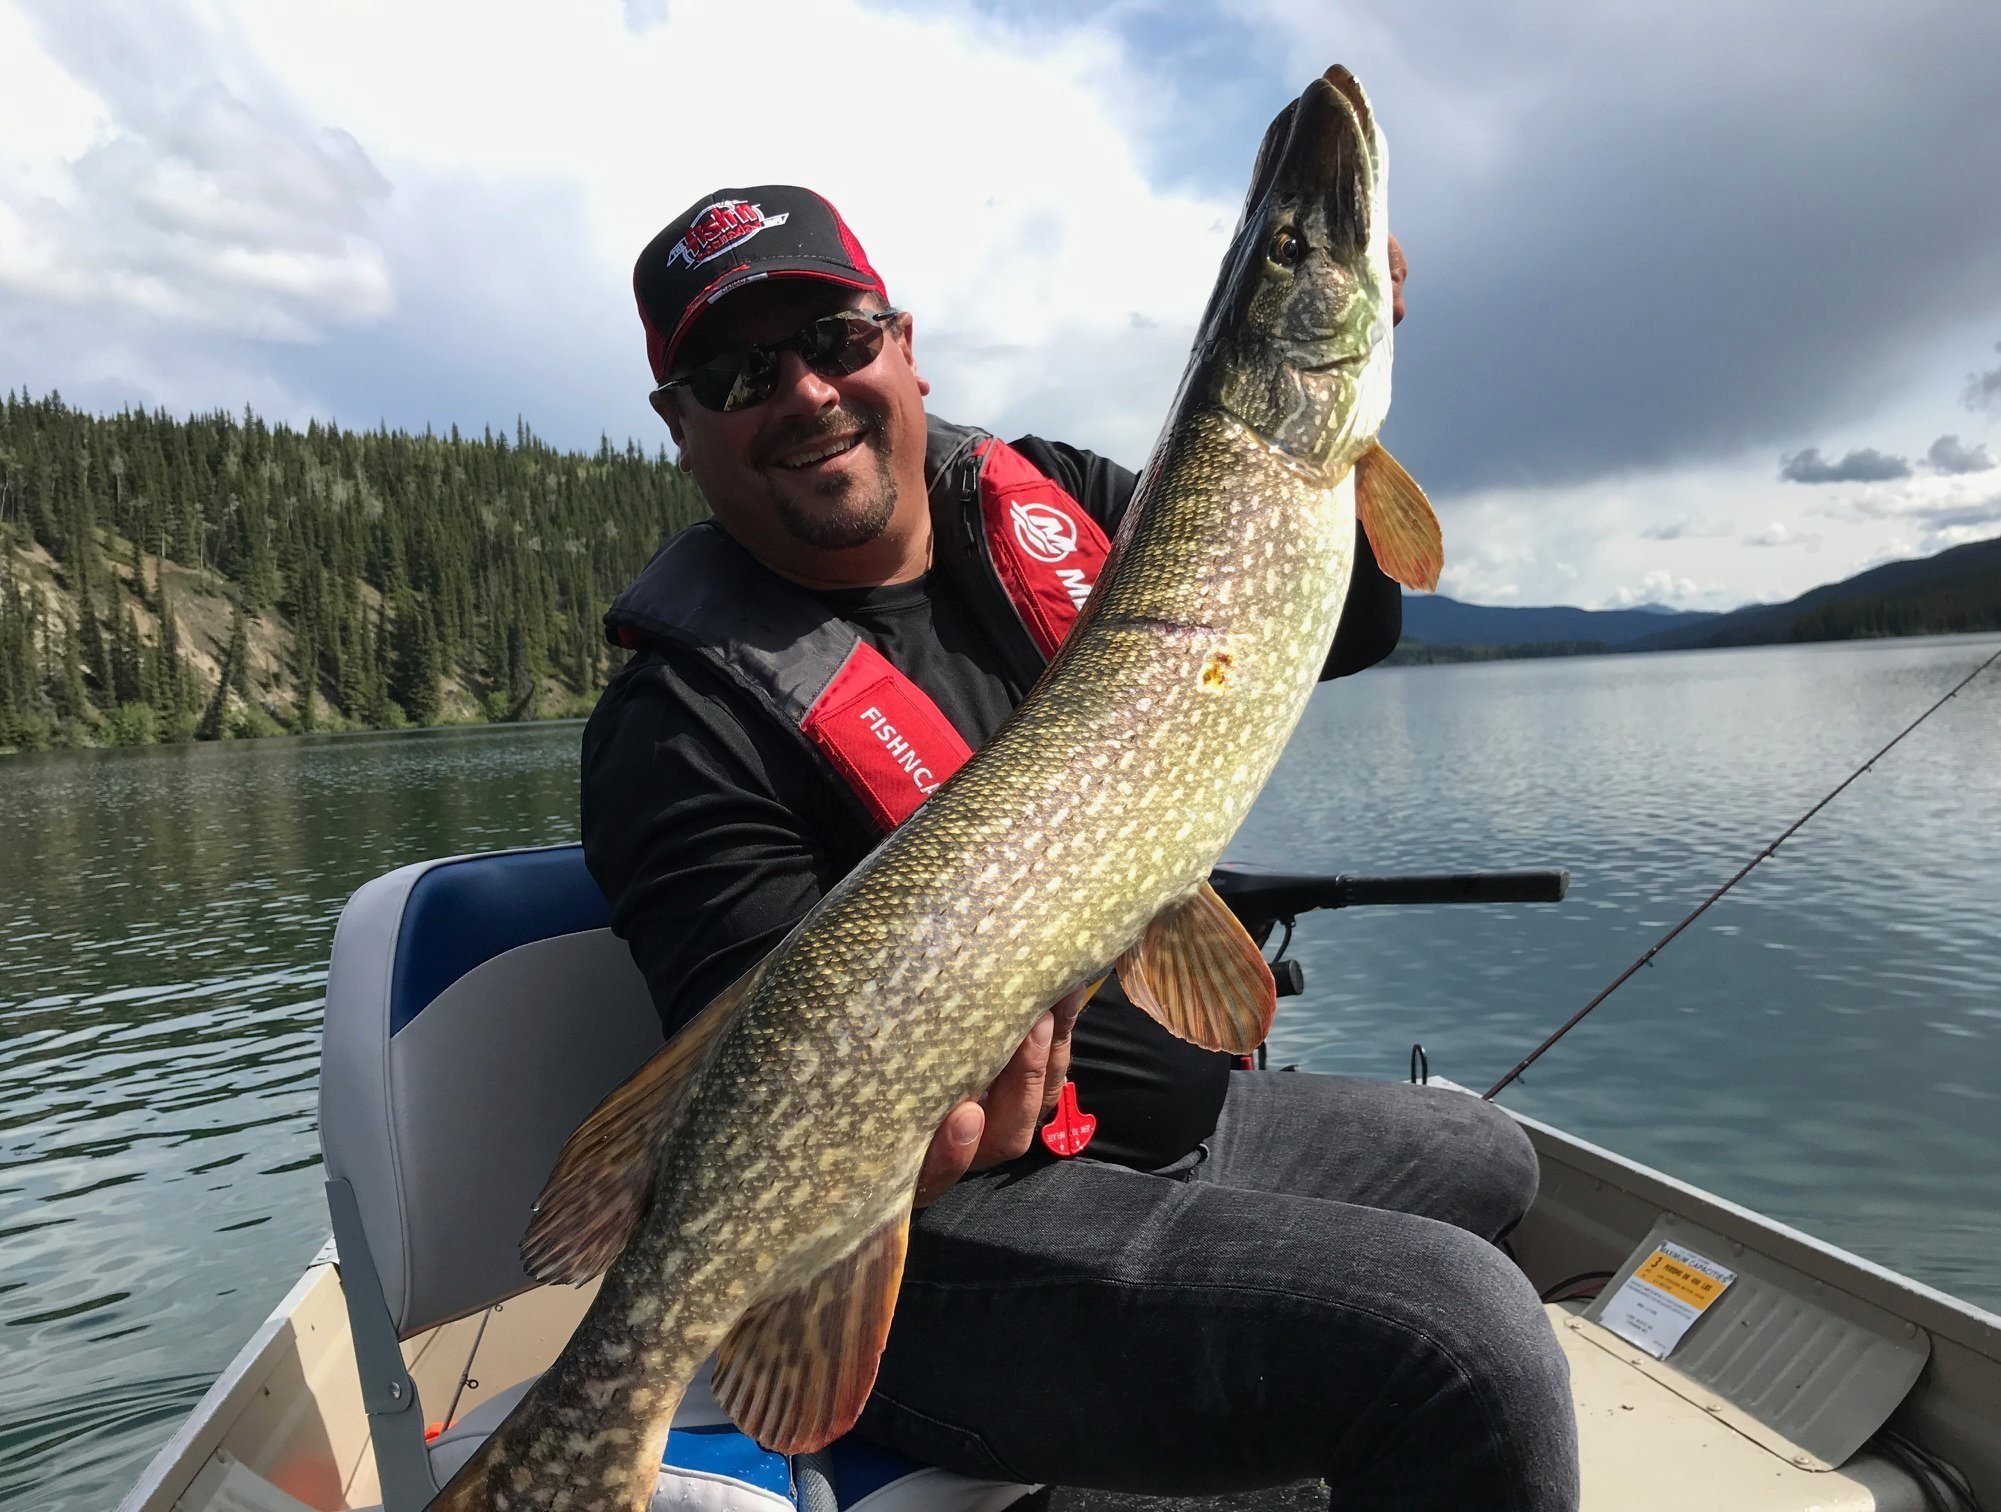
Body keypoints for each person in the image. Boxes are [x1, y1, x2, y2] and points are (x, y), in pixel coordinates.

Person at [581, 186, 1578, 1510]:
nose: (809, 392)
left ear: (902, 344)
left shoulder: (1054, 500)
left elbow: (1353, 626)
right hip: (949, 1238)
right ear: (682, 427)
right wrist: (931, 1128)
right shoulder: (678, 725)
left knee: (1486, 1158)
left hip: (1183, 1127)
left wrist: (1341, 420)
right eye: (742, 372)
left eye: (836, 339)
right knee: (1467, 1338)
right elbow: (765, 1054)